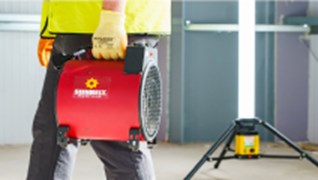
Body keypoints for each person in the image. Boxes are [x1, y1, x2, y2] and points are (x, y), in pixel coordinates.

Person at [27, 0, 170, 179]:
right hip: (79, 25)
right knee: (53, 131)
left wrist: (113, 15)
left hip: (105, 25)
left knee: (116, 138)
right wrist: (52, 26)